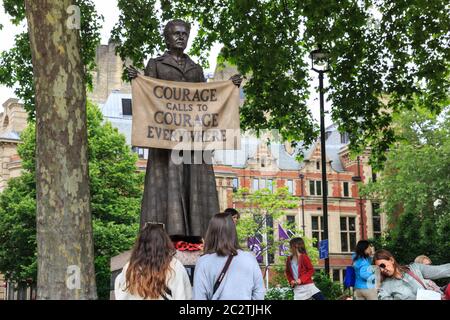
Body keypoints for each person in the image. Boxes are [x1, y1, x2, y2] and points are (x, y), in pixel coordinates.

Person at [127, 19, 243, 238]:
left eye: (184, 34)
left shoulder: (196, 69)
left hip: (192, 140)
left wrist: (230, 87)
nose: (181, 37)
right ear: (167, 37)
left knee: (195, 184)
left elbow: (207, 102)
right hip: (166, 139)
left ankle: (197, 231)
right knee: (168, 182)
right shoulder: (156, 64)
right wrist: (138, 80)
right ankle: (166, 231)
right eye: (176, 33)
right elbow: (148, 98)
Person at [193, 213, 265, 300]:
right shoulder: (249, 258)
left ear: (211, 233)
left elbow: (199, 296)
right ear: (233, 232)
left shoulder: (203, 261)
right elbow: (259, 292)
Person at [114, 222, 192, 300]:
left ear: (140, 244)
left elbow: (121, 294)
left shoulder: (130, 267)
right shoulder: (174, 266)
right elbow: (183, 296)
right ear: (164, 242)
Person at [373, 249, 450, 300]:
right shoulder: (385, 288)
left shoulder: (414, 268)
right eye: (379, 268)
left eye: (382, 265)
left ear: (391, 260)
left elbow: (442, 270)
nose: (382, 270)